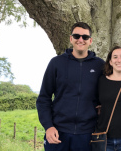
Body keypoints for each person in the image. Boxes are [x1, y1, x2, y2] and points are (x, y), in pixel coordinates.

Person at [36, 22, 105, 151]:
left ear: (90, 41)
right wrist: (48, 127)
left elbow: (108, 92)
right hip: (58, 132)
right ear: (71, 38)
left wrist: (103, 105)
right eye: (76, 36)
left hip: (87, 134)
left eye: (85, 37)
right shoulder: (56, 63)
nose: (80, 40)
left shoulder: (100, 65)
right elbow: (43, 98)